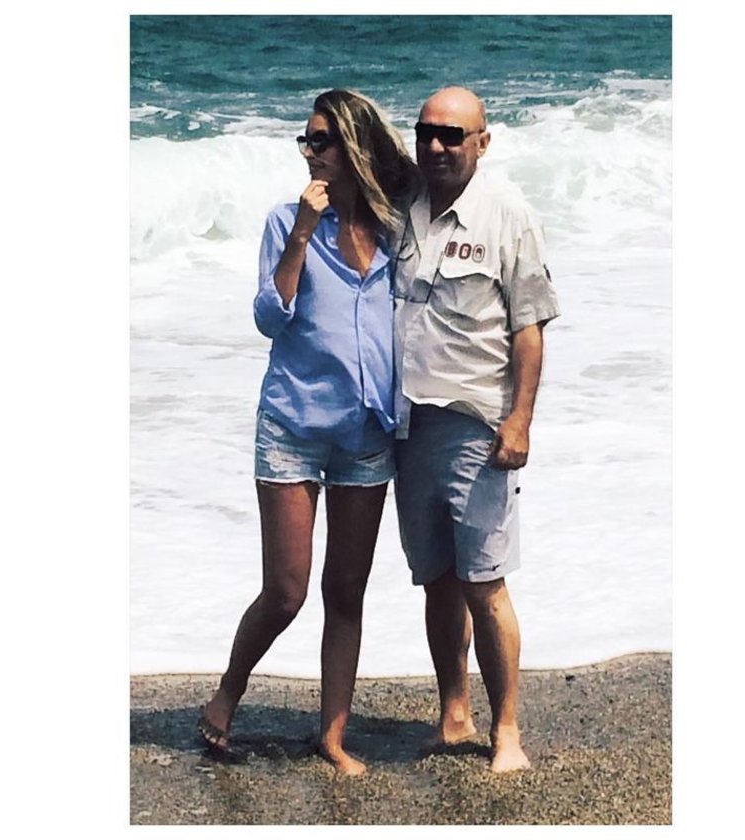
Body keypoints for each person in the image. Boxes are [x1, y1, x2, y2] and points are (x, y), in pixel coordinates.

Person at [198, 89, 419, 776]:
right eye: (306, 140)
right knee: (287, 591)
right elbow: (270, 318)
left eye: (320, 141)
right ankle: (229, 690)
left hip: (367, 431)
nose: (309, 152)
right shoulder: (285, 222)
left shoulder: (392, 229)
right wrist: (300, 232)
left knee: (346, 591)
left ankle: (332, 735)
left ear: (352, 146)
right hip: (293, 424)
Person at [392, 86, 560, 773]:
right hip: (408, 424)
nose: (436, 145)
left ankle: (508, 730)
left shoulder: (508, 214)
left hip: (476, 427)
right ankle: (454, 714)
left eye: (452, 135)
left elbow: (529, 328)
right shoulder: (403, 204)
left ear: (482, 142)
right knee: (436, 579)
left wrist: (520, 422)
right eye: (426, 132)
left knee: (484, 582)